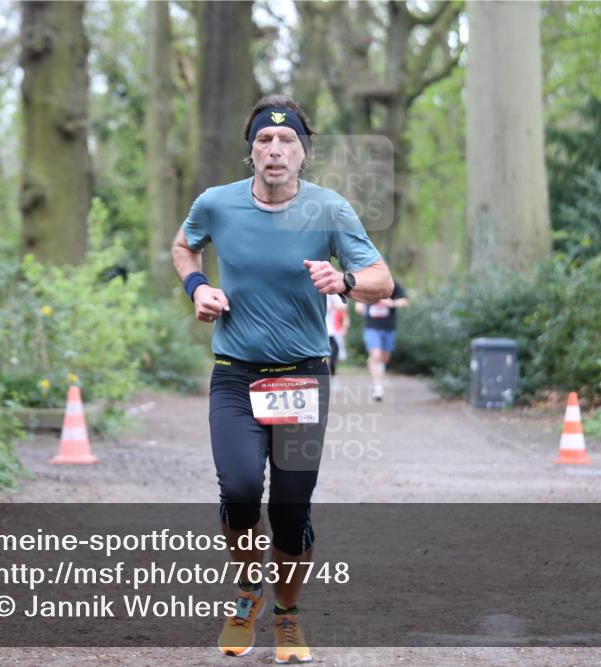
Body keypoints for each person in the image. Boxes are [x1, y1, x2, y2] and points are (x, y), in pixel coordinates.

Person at [171, 94, 393, 663]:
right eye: (264, 141)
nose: (275, 150)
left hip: (302, 375)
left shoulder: (330, 210)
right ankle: (248, 591)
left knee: (292, 511)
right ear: (251, 153)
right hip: (235, 377)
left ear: (303, 153)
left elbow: (381, 280)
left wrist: (342, 280)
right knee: (241, 492)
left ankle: (287, 616)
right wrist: (199, 289)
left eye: (286, 141)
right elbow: (183, 247)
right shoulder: (216, 204)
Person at [355, 279, 408, 401]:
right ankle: (378, 387)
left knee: (384, 358)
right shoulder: (368, 284)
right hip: (372, 328)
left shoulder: (393, 284)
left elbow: (405, 301)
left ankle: (378, 370)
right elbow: (359, 303)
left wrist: (391, 303)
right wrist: (360, 305)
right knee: (376, 356)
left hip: (389, 328)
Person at [325, 292, 349, 385]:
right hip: (319, 332)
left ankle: (333, 377)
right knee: (323, 358)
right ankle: (326, 380)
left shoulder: (330, 294)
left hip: (331, 331)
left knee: (333, 356)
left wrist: (332, 306)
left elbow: (343, 307)